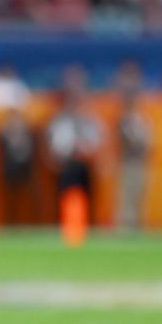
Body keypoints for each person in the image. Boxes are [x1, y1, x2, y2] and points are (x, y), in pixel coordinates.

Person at [46, 70, 104, 222]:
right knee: (66, 196)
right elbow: (54, 141)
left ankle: (87, 226)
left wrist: (86, 148)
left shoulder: (89, 117)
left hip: (85, 163)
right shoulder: (59, 118)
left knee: (86, 197)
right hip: (67, 163)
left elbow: (96, 139)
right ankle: (66, 226)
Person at [114, 63, 151, 231]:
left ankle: (136, 227)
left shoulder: (141, 117)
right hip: (128, 161)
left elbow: (146, 141)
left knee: (139, 197)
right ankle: (126, 228)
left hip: (141, 161)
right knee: (127, 199)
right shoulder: (124, 118)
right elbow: (127, 140)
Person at [0, 105, 39, 225]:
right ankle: (9, 221)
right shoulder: (5, 133)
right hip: (10, 168)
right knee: (10, 194)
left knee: (32, 194)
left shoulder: (27, 133)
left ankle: (32, 221)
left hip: (27, 168)